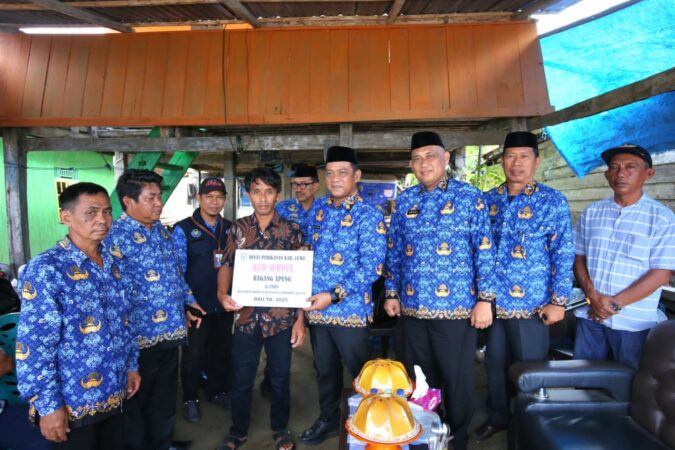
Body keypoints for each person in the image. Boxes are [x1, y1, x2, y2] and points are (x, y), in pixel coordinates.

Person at [384, 131, 496, 450]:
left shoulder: (469, 197)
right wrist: (391, 292)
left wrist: (485, 300)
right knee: (420, 379)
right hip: (412, 308)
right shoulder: (406, 201)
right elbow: (394, 250)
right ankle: (427, 434)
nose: (424, 164)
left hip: (456, 309)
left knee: (456, 379)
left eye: (430, 156)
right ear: (411, 164)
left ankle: (455, 438)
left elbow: (484, 250)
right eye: (417, 159)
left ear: (445, 158)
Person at [15, 182, 141, 449]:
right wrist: (48, 406)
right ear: (66, 217)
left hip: (115, 393)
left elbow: (125, 321)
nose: (102, 220)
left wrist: (131, 365)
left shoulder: (114, 262)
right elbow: (34, 345)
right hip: (74, 403)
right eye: (91, 213)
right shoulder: (47, 269)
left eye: (107, 212)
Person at [472, 131, 575, 442]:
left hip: (532, 305)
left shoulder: (552, 201)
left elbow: (563, 252)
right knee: (494, 364)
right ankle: (498, 417)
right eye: (510, 156)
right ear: (502, 160)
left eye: (524, 156)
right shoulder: (487, 200)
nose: (516, 163)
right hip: (492, 303)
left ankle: (529, 424)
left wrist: (559, 301)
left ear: (536, 161)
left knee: (529, 370)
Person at [105, 169, 204, 450]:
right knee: (138, 398)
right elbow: (114, 293)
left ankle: (162, 442)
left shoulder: (160, 230)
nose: (159, 203)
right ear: (128, 201)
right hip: (139, 337)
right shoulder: (114, 238)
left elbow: (174, 273)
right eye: (151, 198)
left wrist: (188, 302)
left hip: (170, 330)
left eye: (159, 196)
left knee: (164, 394)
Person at [299, 146, 387, 446]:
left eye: (342, 173)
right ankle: (328, 419)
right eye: (330, 173)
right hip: (318, 311)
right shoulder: (318, 210)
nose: (335, 179)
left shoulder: (369, 215)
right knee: (325, 371)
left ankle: (371, 421)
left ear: (356, 176)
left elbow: (372, 267)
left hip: (350, 311)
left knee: (361, 372)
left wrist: (333, 295)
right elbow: (307, 250)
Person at [216, 167, 306, 450]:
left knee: (280, 378)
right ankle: (238, 431)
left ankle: (280, 429)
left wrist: (300, 320)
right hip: (246, 317)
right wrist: (222, 294)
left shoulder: (292, 230)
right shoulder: (238, 228)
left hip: (281, 319)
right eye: (256, 192)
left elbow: (302, 277)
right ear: (248, 194)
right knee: (242, 379)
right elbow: (226, 263)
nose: (263, 198)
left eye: (269, 191)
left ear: (277, 194)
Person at [573, 144, 674, 370]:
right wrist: (592, 296)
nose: (621, 174)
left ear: (649, 174)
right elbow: (579, 258)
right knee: (584, 380)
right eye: (614, 167)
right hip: (591, 318)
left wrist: (615, 304)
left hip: (634, 324)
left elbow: (661, 273)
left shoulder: (662, 218)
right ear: (607, 174)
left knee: (631, 384)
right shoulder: (592, 212)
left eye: (630, 167)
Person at [172, 177, 234, 422]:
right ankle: (190, 398)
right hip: (196, 306)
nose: (214, 202)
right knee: (193, 355)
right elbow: (177, 271)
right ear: (199, 198)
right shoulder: (184, 229)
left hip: (224, 303)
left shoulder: (231, 228)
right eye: (209, 197)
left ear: (225, 199)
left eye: (219, 197)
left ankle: (216, 391)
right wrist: (188, 302)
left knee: (222, 351)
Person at [276, 164, 320, 238]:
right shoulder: (282, 208)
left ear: (315, 186)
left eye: (303, 184)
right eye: (295, 184)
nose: (298, 189)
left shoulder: (324, 209)